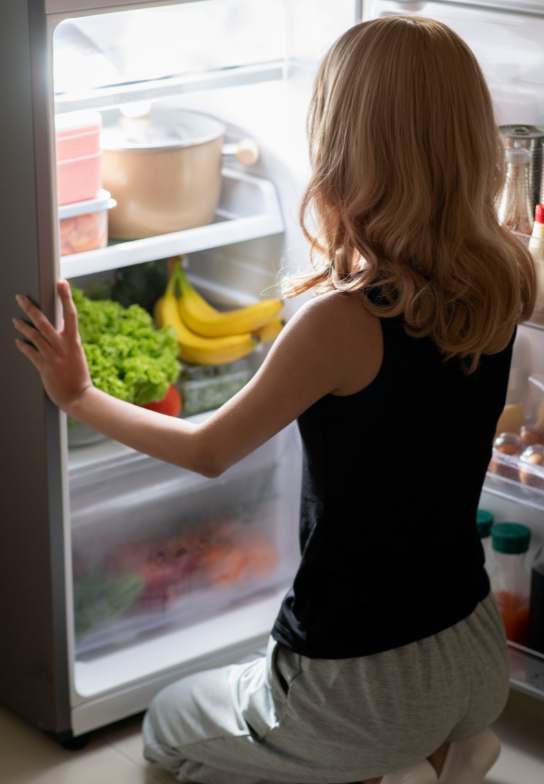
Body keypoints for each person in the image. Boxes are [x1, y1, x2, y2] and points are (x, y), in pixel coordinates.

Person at [13, 15, 535, 784]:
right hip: (471, 651)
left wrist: (79, 394)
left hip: (357, 686)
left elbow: (207, 451)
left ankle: (388, 762)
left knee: (169, 730)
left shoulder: (343, 321)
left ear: (345, 144)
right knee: (286, 710)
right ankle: (442, 751)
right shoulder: (506, 272)